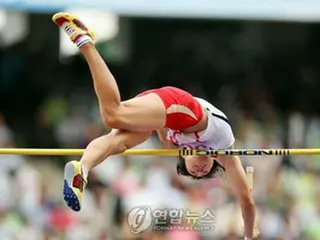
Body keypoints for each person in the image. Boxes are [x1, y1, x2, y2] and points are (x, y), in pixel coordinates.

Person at [52, 13, 258, 239]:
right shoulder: (225, 151)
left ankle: (83, 169)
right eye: (205, 169)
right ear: (214, 160)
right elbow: (246, 201)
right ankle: (85, 42)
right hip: (181, 105)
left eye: (193, 172)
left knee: (118, 142)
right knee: (112, 115)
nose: (199, 170)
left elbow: (163, 131)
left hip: (163, 112)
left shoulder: (170, 142)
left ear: (183, 156)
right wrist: (248, 236)